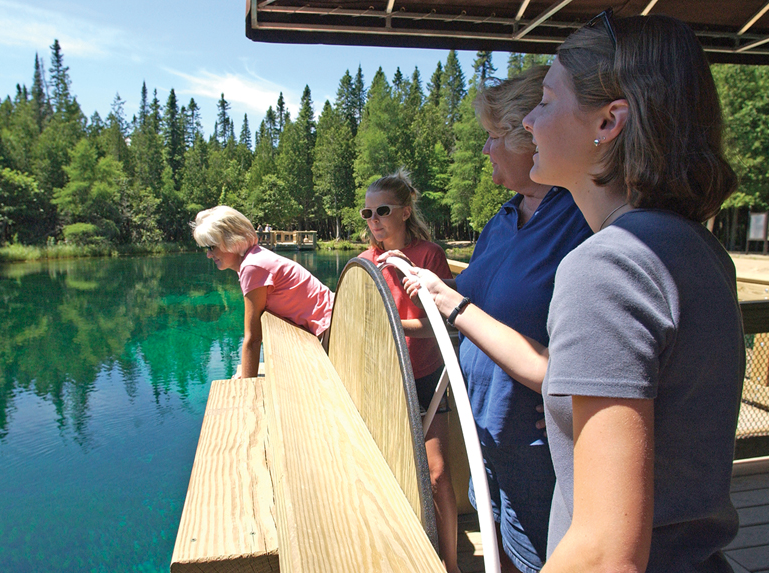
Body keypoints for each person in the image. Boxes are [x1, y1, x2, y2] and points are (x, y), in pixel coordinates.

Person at [518, 12, 744, 572]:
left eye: (546, 99)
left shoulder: (607, 267)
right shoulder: (695, 248)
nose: (527, 120)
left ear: (609, 121)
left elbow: (603, 556)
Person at [389, 67, 592, 573]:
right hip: (484, 427)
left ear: (530, 137)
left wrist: (450, 301)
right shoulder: (503, 219)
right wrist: (430, 285)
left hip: (537, 444)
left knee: (536, 558)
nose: (485, 149)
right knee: (494, 537)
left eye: (493, 136)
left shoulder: (582, 217)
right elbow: (480, 296)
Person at [358, 170, 460, 573]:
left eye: (382, 210)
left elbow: (444, 323)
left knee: (437, 475)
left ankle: (450, 564)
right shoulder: (365, 263)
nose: (374, 219)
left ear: (404, 211)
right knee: (391, 475)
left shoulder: (429, 255)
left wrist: (393, 325)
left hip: (426, 378)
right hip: (385, 381)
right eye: (368, 212)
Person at [192, 206, 333, 379]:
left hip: (331, 329)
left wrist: (246, 382)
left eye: (212, 247)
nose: (208, 254)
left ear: (231, 240)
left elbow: (253, 338)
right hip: (329, 322)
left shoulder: (252, 266)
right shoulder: (254, 258)